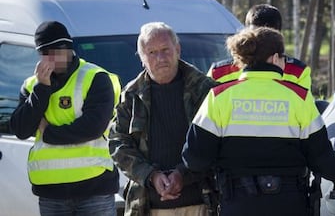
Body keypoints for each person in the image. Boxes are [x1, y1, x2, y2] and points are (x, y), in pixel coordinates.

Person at [182, 27, 335, 216]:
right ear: (274, 58)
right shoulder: (299, 98)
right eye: (283, 59)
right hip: (288, 204)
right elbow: (321, 154)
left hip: (237, 203)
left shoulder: (219, 96)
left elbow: (195, 158)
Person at [10, 21, 121, 215]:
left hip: (94, 188)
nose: (51, 59)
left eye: (56, 51)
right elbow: (20, 129)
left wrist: (49, 132)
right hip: (51, 193)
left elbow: (91, 128)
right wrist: (42, 89)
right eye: (45, 53)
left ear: (68, 48)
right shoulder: (32, 86)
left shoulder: (95, 78)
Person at [108, 22, 218, 216]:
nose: (160, 58)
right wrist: (151, 176)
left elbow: (216, 142)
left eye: (165, 50)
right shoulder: (131, 95)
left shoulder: (205, 90)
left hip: (200, 203)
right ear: (142, 58)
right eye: (151, 52)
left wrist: (182, 174)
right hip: (147, 207)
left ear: (178, 49)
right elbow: (118, 144)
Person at [207, 4, 311, 90]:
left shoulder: (298, 72)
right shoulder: (219, 72)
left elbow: (305, 109)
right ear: (245, 34)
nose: (261, 42)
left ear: (278, 36)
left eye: (268, 36)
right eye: (255, 36)